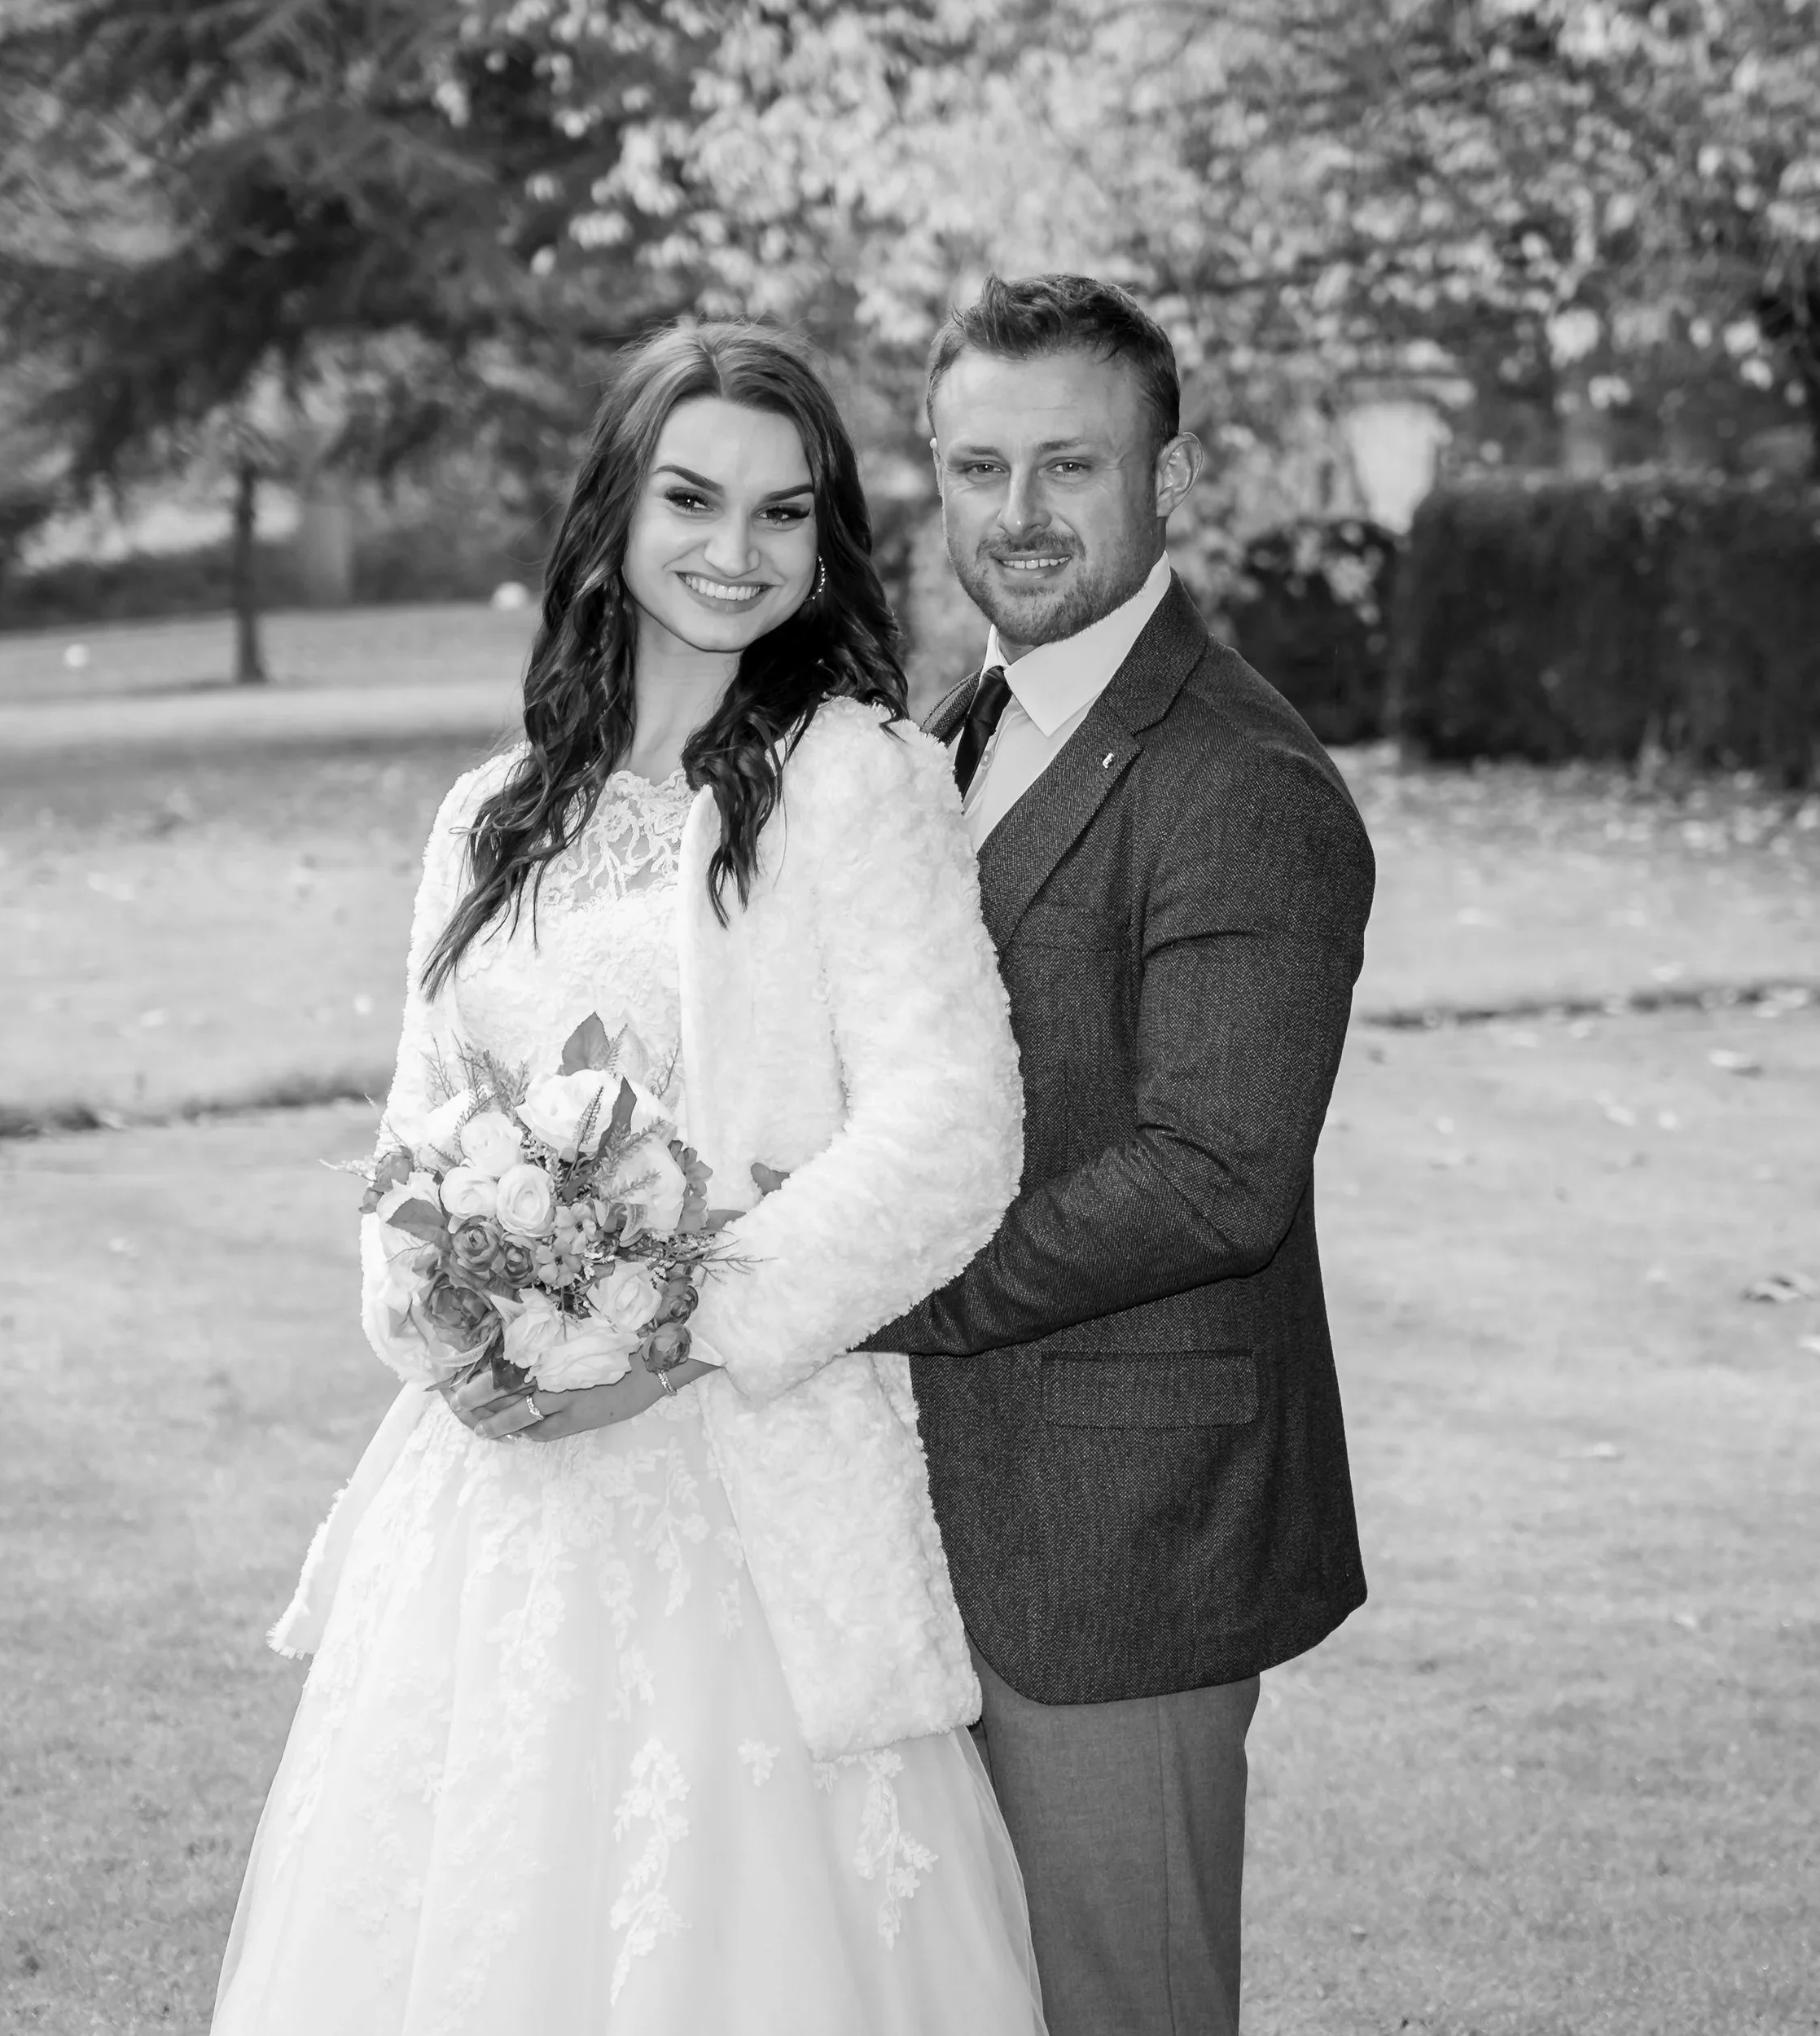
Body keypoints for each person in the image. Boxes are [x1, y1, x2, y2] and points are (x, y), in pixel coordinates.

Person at [211, 322, 1046, 2035]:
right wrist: (463, 1336)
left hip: (742, 1476)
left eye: (780, 511)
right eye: (689, 497)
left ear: (823, 546)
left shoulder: (851, 782)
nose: (732, 549)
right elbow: (411, 1137)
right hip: (491, 1503)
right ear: (610, 512)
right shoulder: (488, 816)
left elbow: (951, 1128)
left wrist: (663, 1326)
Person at [862, 274, 1377, 2036]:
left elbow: (1211, 1170)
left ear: (1167, 476)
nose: (1016, 515)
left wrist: (866, 1283)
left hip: (1114, 1541)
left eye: (1067, 463)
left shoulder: (1238, 779)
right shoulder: (951, 730)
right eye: (977, 464)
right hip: (918, 1523)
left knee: (1121, 2008)